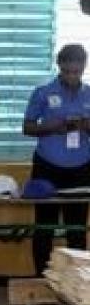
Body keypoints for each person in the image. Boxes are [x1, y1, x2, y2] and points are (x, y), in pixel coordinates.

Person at [23, 43, 90, 276]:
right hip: (47, 168)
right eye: (68, 71)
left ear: (84, 67)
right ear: (59, 66)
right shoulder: (43, 92)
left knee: (77, 229)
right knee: (45, 228)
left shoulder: (89, 94)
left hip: (81, 169)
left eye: (77, 72)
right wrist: (50, 127)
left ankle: (77, 285)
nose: (72, 76)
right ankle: (42, 282)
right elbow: (27, 127)